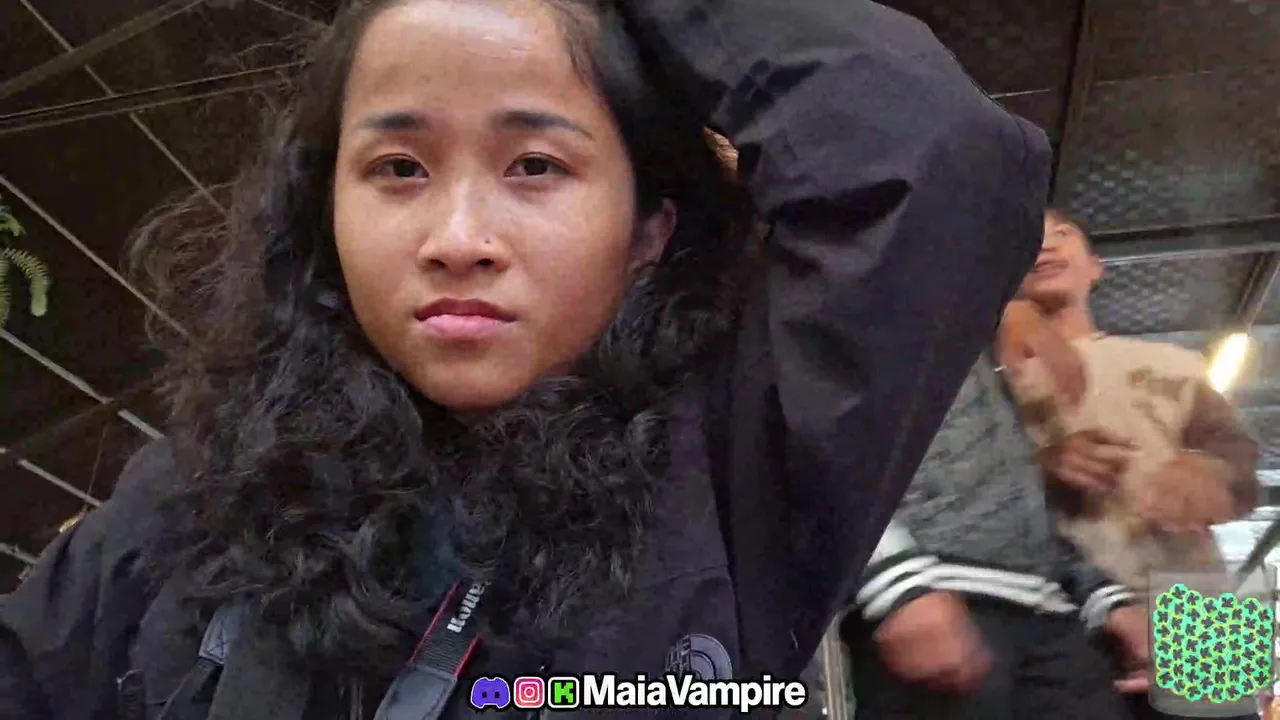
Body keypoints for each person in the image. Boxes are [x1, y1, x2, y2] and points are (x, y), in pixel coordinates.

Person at [0, 1, 1051, 718]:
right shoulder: (209, 477)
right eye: (398, 167)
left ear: (647, 230)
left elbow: (930, 154)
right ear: (327, 215)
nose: (458, 237)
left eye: (536, 165)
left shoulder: (739, 467)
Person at [840, 348, 1149, 720]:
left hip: (1059, 612)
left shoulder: (978, 348)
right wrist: (892, 583)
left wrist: (1100, 595)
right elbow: (807, 432)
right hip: (941, 597)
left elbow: (1014, 500)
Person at [1007, 209, 1259, 595]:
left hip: (1195, 586)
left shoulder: (1175, 362)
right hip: (1057, 595)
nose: (1045, 245)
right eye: (1028, 238)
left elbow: (1240, 463)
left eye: (1062, 233)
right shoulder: (989, 381)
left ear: (1095, 267)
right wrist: (1039, 467)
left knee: (1224, 642)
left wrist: (1214, 474)